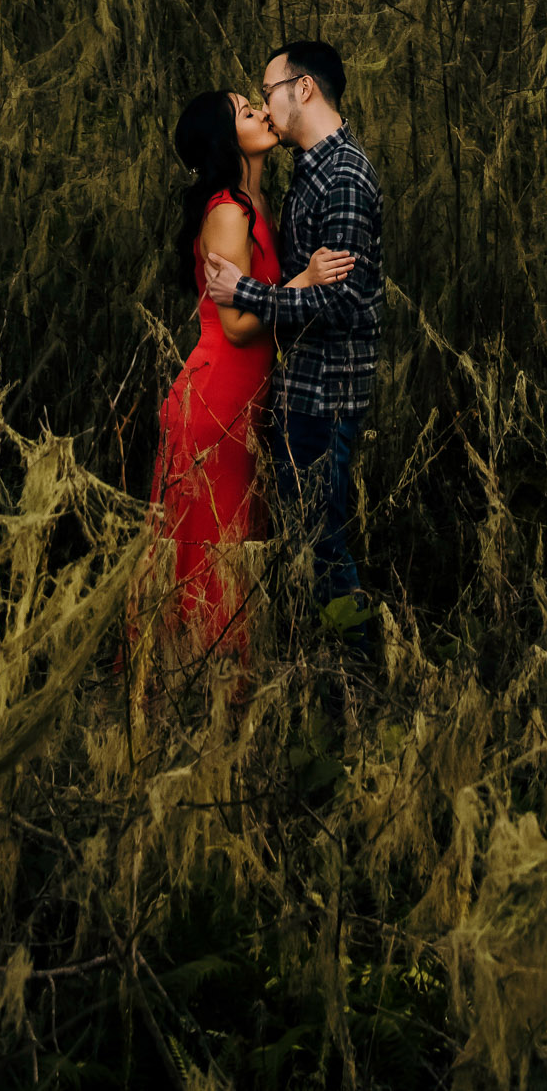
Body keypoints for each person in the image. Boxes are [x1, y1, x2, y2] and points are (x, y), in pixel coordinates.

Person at [154, 88, 352, 662]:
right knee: (212, 542)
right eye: (247, 111)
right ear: (226, 139)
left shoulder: (259, 204)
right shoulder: (226, 210)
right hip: (215, 398)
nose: (264, 112)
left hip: (247, 397)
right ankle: (195, 677)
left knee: (238, 539)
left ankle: (221, 682)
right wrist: (304, 282)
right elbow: (239, 324)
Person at [203, 41, 384, 647]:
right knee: (309, 544)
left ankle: (353, 680)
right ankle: (323, 677)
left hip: (327, 396)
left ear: (303, 89)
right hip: (300, 394)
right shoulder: (309, 172)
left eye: (268, 90)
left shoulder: (346, 177)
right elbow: (306, 285)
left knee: (325, 550)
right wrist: (286, 286)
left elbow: (338, 301)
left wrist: (253, 294)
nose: (263, 103)